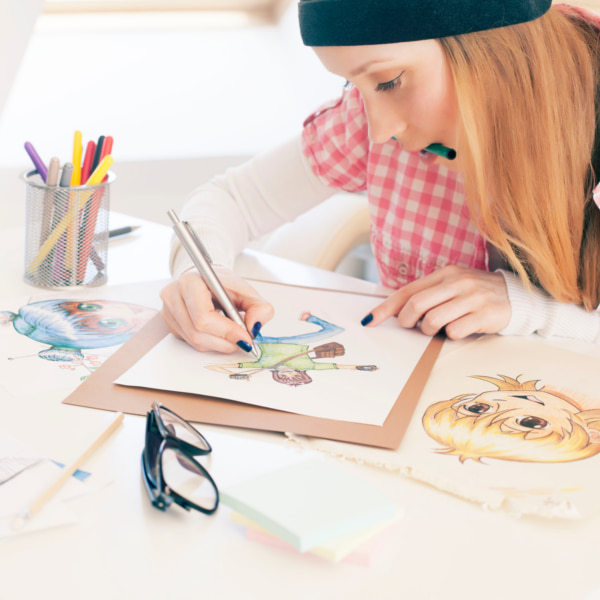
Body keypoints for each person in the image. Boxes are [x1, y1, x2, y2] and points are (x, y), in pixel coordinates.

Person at [160, 0, 600, 356]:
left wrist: (527, 308)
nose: (379, 131)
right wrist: (201, 273)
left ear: (487, 49)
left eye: (389, 82)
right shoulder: (369, 121)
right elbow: (231, 200)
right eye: (353, 85)